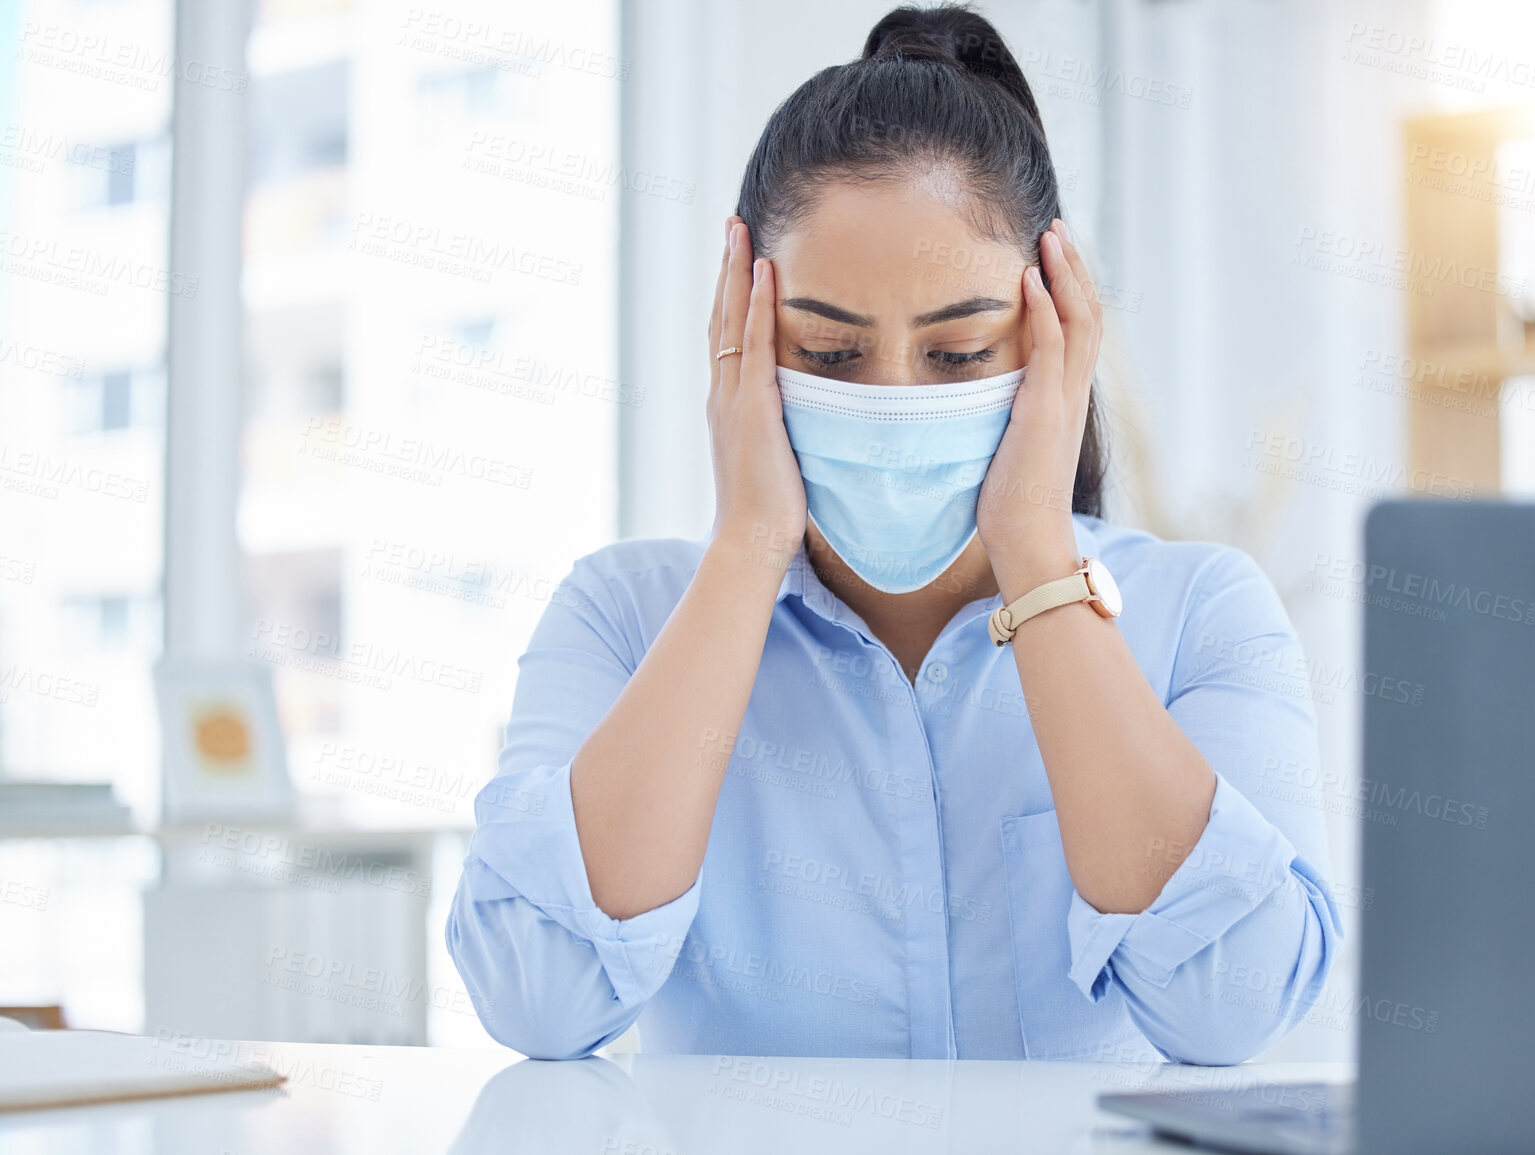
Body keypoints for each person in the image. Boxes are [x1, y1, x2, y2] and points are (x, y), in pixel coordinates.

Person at [447, 2, 1341, 1064]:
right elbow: (541, 999)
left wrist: (1037, 553)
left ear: (1057, 330)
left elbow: (1229, 1009)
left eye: (959, 354)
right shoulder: (621, 616)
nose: (894, 399)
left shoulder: (1201, 615)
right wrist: (747, 549)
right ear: (741, 332)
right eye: (828, 354)